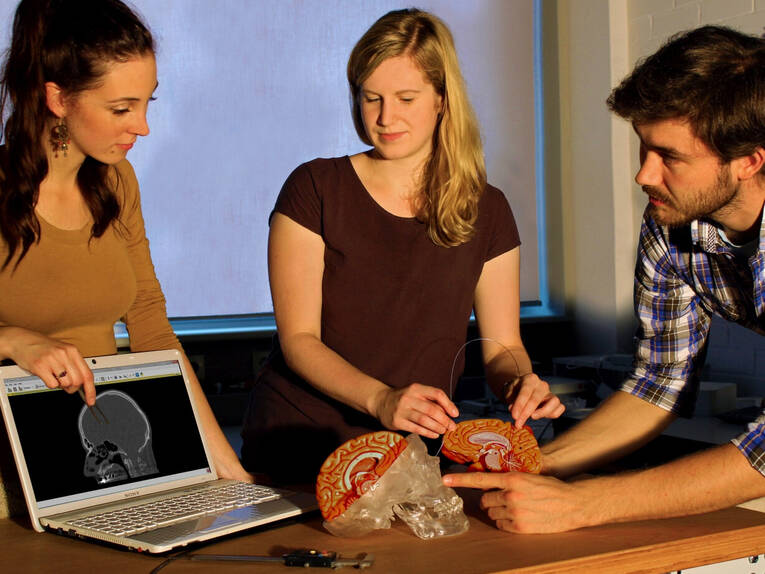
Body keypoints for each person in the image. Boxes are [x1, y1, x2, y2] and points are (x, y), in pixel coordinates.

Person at [444, 25, 765, 533]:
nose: (644, 175)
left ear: (748, 160)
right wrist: (528, 468)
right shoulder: (671, 223)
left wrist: (585, 503)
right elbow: (659, 383)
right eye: (644, 147)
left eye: (670, 157)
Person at [241, 8, 564, 484]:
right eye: (371, 98)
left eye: (405, 98)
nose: (385, 117)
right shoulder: (314, 188)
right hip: (299, 446)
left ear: (442, 99)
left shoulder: (488, 208)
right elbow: (299, 341)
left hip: (408, 459)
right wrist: (381, 399)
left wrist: (520, 382)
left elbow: (504, 347)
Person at [0, 0, 251, 517]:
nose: (143, 126)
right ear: (58, 98)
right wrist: (13, 340)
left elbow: (152, 328)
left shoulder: (117, 182)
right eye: (121, 109)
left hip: (104, 470)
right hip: (10, 478)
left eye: (146, 103)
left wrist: (229, 471)